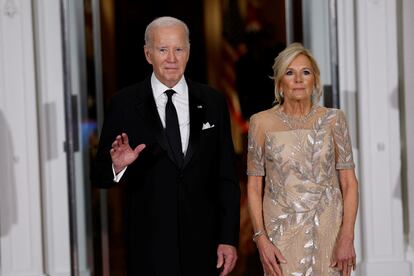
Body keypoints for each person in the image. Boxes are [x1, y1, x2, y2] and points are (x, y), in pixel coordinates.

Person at [93, 16, 240, 276]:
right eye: (163, 49)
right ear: (148, 54)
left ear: (189, 52)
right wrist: (117, 165)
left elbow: (226, 176)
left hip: (204, 243)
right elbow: (100, 175)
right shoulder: (124, 103)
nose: (171, 58)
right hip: (148, 244)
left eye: (178, 49)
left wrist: (228, 238)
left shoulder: (213, 101)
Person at [246, 42, 359, 276]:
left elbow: (349, 183)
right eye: (290, 72)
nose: (298, 79)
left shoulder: (334, 120)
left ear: (315, 80)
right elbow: (255, 186)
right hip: (282, 234)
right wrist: (261, 239)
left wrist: (347, 237)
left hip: (329, 232)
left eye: (305, 72)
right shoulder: (260, 123)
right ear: (279, 83)